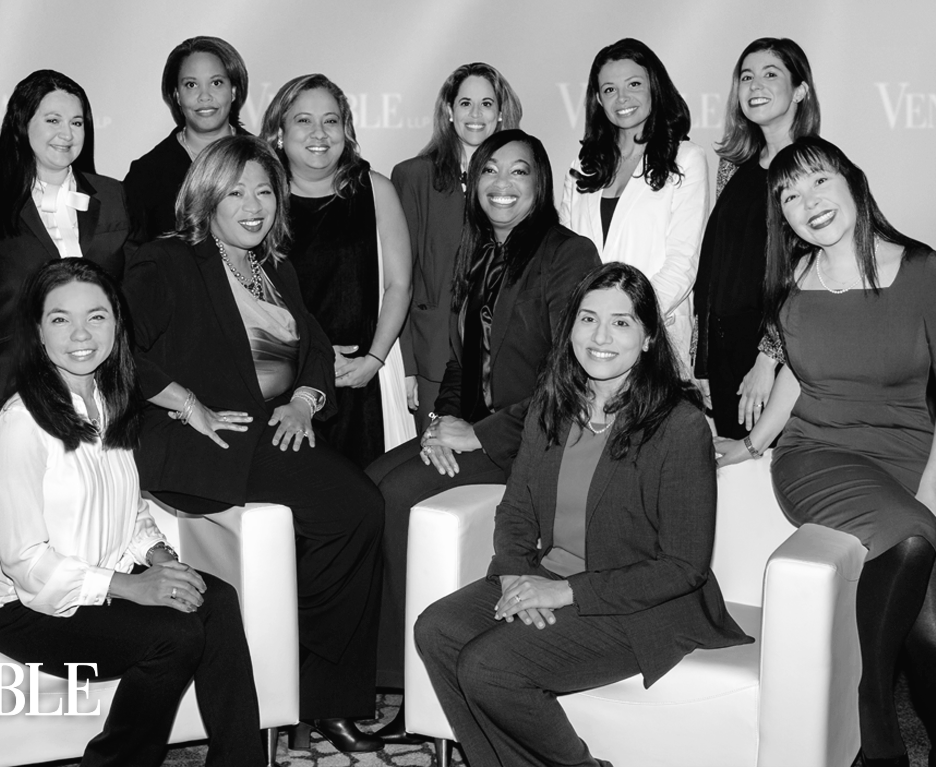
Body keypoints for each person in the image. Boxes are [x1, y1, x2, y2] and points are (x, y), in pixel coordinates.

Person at [415, 262, 751, 766]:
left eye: (621, 322)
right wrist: (514, 575)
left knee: (490, 666)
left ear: (649, 337)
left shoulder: (680, 427)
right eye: (588, 318)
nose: (600, 337)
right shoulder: (552, 405)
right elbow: (517, 510)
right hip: (551, 576)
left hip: (641, 605)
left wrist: (564, 592)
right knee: (437, 629)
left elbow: (684, 567)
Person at [121, 135, 385, 754]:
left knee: (360, 511)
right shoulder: (168, 260)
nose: (253, 205)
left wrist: (305, 400)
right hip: (202, 439)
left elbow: (314, 347)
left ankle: (316, 693)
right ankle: (312, 687)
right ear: (207, 196)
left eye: (264, 192)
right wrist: (188, 404)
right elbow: (121, 349)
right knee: (355, 509)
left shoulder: (275, 270)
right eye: (236, 192)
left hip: (267, 430)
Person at [0, 259, 264, 767]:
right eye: (60, 319)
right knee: (175, 636)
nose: (81, 334)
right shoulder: (22, 422)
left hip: (103, 578)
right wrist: (130, 587)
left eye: (97, 317)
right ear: (38, 331)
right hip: (26, 608)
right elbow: (24, 561)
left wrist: (158, 558)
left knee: (214, 597)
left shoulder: (110, 400)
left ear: (116, 324)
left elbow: (129, 511)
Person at [366, 129, 599, 743]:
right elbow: (458, 359)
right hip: (472, 428)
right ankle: (382, 672)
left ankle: (411, 686)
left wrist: (482, 435)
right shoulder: (476, 251)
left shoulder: (568, 254)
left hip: (534, 440)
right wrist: (441, 423)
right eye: (491, 170)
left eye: (519, 171)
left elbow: (569, 373)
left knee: (395, 497)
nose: (502, 183)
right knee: (367, 487)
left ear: (540, 183)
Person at [716, 137, 936, 767]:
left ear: (852, 181)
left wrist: (929, 492)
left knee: (930, 629)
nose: (806, 202)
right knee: (913, 539)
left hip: (908, 454)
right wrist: (754, 443)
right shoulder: (792, 285)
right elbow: (799, 373)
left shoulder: (923, 271)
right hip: (817, 455)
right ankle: (874, 712)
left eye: (817, 180)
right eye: (788, 195)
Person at [0, 69, 134, 428]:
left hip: (105, 394)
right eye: (53, 120)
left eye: (77, 122)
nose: (67, 134)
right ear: (22, 124)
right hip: (11, 392)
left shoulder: (113, 196)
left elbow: (135, 293)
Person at [260, 73, 413, 468]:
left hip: (362, 380)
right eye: (304, 120)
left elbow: (399, 285)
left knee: (376, 490)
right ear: (279, 132)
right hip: (286, 383)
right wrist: (307, 361)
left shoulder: (375, 190)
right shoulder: (259, 200)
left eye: (331, 120)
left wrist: (373, 360)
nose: (320, 133)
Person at [693, 38, 820, 438]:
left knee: (773, 463)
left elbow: (815, 272)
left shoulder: (815, 167)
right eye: (746, 77)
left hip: (779, 356)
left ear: (799, 90)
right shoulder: (733, 165)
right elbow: (715, 263)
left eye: (770, 74)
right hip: (724, 351)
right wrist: (702, 359)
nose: (755, 85)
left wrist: (769, 358)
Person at [560, 38, 708, 375]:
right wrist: (592, 323)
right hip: (589, 342)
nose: (622, 98)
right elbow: (567, 262)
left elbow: (683, 262)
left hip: (654, 335)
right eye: (610, 89)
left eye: (634, 84)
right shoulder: (582, 166)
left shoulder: (686, 159)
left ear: (654, 87)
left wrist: (629, 321)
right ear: (598, 99)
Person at [392, 62, 523, 432]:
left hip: (503, 359)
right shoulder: (413, 176)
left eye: (486, 103)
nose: (476, 114)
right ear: (449, 111)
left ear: (501, 113)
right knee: (436, 459)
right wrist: (407, 366)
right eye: (466, 103)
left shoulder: (520, 179)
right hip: (433, 358)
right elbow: (400, 278)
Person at [124, 36, 253, 245]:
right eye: (191, 85)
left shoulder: (264, 159)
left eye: (216, 83)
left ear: (233, 91)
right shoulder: (148, 173)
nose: (204, 96)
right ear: (176, 95)